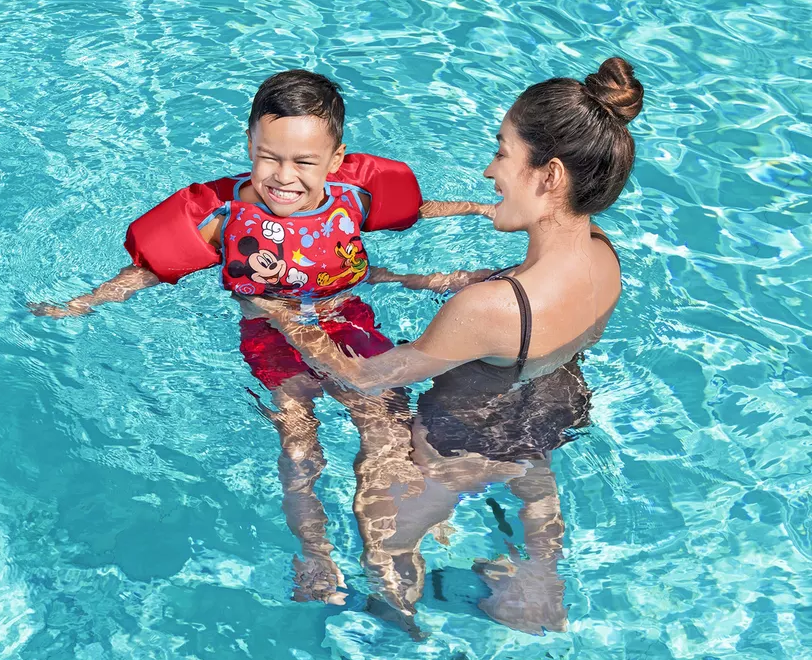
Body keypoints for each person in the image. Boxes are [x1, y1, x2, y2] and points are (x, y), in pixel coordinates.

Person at [29, 69, 493, 604]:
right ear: (249, 144)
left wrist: (478, 208)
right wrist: (82, 303)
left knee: (387, 426)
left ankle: (397, 542)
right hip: (271, 336)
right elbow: (150, 271)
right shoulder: (226, 220)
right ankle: (316, 554)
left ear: (336, 160)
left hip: (346, 320)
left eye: (304, 162)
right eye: (269, 157)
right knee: (300, 448)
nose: (284, 177)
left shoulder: (353, 201)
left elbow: (415, 211)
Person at [251, 57, 644, 633]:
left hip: (453, 451)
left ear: (550, 176)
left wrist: (285, 312)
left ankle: (402, 644)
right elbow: (514, 298)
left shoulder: (491, 309)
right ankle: (537, 582)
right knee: (533, 516)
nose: (490, 171)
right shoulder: (604, 255)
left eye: (503, 152)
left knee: (383, 547)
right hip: (546, 424)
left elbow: (363, 377)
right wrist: (406, 279)